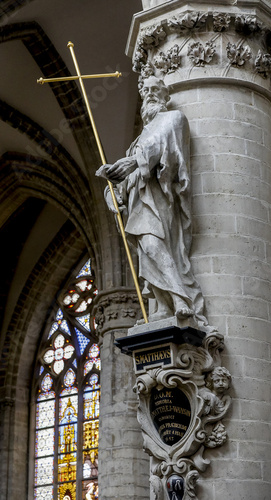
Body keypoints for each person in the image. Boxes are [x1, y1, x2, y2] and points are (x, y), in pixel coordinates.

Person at [96, 76, 209, 329]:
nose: (148, 94)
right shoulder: (137, 141)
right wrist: (112, 193)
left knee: (154, 246)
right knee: (146, 252)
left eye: (154, 89)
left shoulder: (173, 119)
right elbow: (123, 181)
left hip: (158, 199)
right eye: (144, 90)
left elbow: (165, 148)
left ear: (164, 95)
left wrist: (134, 162)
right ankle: (163, 305)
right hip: (138, 202)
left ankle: (182, 299)